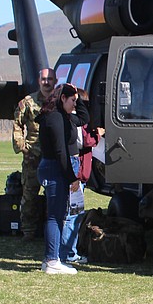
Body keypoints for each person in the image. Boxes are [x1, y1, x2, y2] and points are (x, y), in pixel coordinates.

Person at [37, 83, 82, 275]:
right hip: (54, 168)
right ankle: (53, 260)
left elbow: (83, 118)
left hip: (52, 167)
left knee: (56, 215)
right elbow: (60, 151)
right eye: (73, 100)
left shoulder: (55, 115)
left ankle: (51, 258)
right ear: (63, 98)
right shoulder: (55, 118)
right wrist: (71, 177)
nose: (74, 105)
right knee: (56, 216)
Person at [13, 68, 56, 241]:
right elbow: (17, 123)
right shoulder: (28, 102)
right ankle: (28, 231)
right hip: (33, 154)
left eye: (50, 79)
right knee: (29, 194)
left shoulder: (59, 100)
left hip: (53, 154)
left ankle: (51, 231)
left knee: (53, 195)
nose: (47, 82)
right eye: (44, 79)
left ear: (55, 80)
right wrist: (21, 144)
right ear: (39, 81)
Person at [61, 91, 102, 267]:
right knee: (72, 214)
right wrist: (97, 134)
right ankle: (68, 253)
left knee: (73, 213)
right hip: (76, 171)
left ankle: (67, 251)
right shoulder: (74, 119)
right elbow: (82, 141)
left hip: (81, 170)